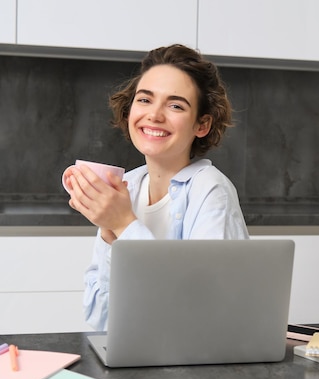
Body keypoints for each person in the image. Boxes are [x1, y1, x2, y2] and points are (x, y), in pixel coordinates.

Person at [66, 44, 249, 330]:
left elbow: (204, 314)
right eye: (145, 100)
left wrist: (124, 224)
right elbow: (100, 320)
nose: (154, 115)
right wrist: (108, 231)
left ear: (201, 125)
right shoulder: (129, 187)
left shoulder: (211, 191)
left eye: (175, 105)